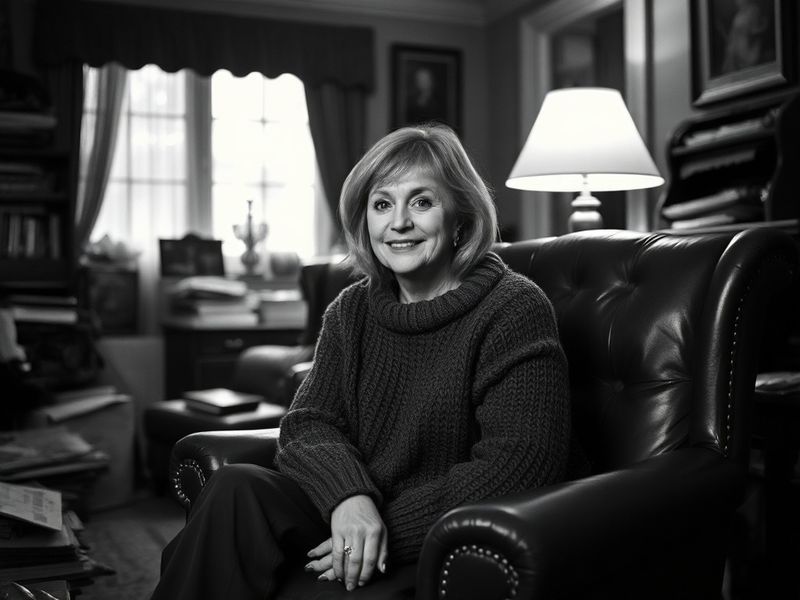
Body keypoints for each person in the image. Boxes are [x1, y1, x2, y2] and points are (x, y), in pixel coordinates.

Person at [151, 124, 571, 599]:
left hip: (437, 537)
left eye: (422, 202)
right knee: (233, 486)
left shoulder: (513, 308)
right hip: (348, 512)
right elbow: (308, 422)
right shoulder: (351, 310)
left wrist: (377, 533)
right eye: (382, 204)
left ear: (460, 219)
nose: (399, 223)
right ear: (365, 220)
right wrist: (349, 499)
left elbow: (517, 466)